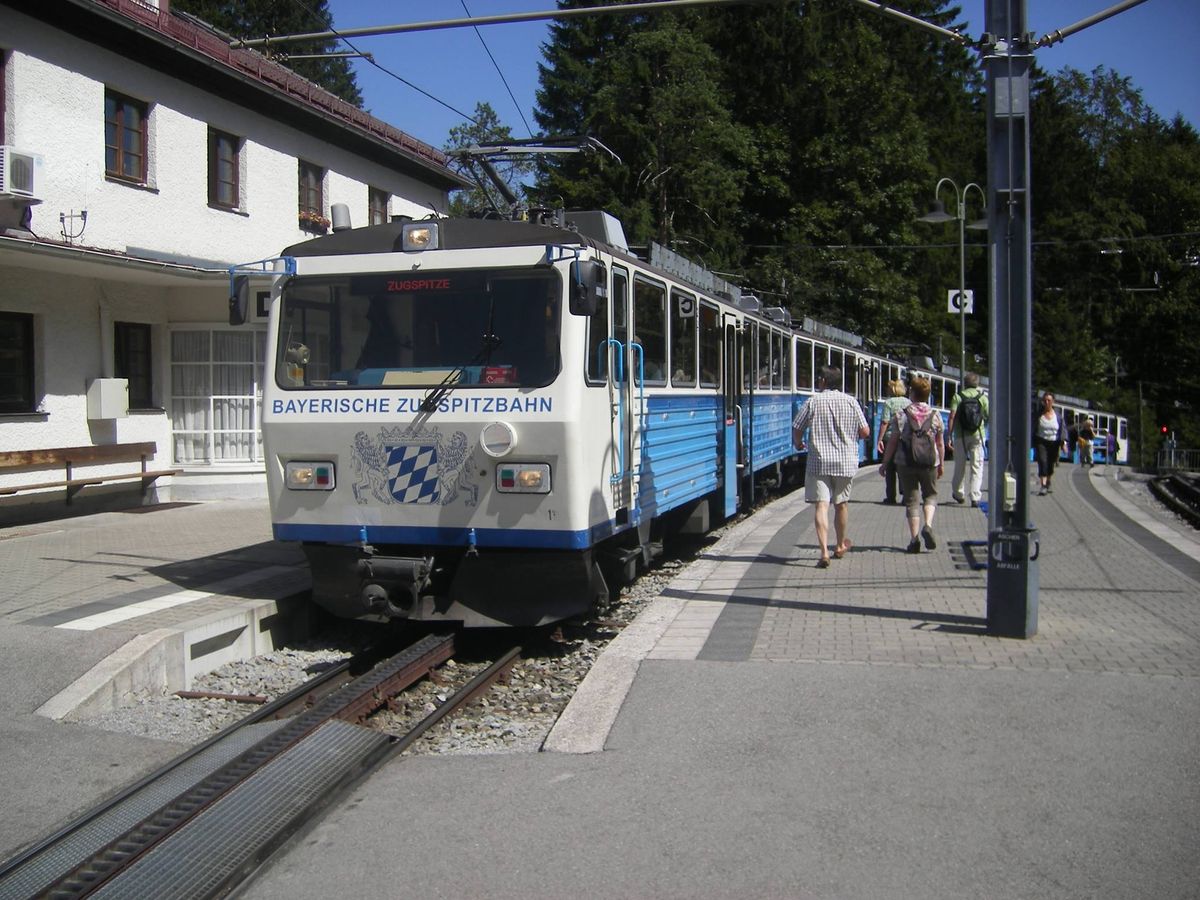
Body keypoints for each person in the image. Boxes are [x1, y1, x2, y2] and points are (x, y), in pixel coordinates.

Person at [792, 365, 870, 568]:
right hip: (845, 462)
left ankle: (824, 552)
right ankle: (840, 545)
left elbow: (797, 427)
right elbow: (865, 431)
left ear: (823, 381)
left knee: (821, 505)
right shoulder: (851, 402)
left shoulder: (813, 401)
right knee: (841, 504)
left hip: (819, 462)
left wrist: (798, 442)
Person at [878, 376, 945, 553]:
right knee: (930, 495)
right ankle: (928, 525)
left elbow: (892, 441)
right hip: (930, 462)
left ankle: (914, 539)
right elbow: (940, 443)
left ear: (912, 393)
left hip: (905, 462)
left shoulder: (902, 414)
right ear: (928, 394)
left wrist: (885, 463)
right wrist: (941, 464)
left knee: (911, 501)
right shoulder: (935, 415)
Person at [946, 372, 989, 506]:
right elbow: (988, 416)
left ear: (964, 383)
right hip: (978, 435)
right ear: (977, 383)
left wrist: (949, 435)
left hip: (961, 436)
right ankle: (975, 496)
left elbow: (952, 416)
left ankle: (958, 493)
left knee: (960, 465)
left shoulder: (958, 397)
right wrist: (983, 428)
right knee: (977, 466)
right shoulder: (983, 398)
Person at [876, 379, 910, 505]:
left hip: (890, 438)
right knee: (902, 467)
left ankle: (891, 496)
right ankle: (905, 495)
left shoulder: (889, 402)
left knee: (890, 468)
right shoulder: (909, 402)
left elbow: (885, 422)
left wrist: (879, 439)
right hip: (905, 439)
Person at [1033, 391, 1066, 495]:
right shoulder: (1038, 415)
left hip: (1054, 443)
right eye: (1045, 400)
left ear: (1053, 402)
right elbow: (1032, 427)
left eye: (1049, 400)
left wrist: (1064, 443)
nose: (1047, 402)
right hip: (1041, 441)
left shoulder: (1058, 416)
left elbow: (1062, 430)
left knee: (1050, 463)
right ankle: (1043, 485)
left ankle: (1048, 481)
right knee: (1042, 461)